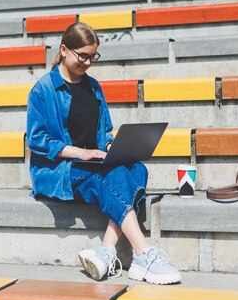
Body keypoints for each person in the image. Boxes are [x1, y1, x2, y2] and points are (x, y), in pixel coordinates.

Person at [26, 22, 181, 285]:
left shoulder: (94, 88)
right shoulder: (43, 90)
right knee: (106, 178)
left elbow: (104, 133)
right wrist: (82, 154)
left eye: (92, 56)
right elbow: (38, 140)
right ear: (64, 50)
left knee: (137, 168)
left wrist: (112, 149)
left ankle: (106, 250)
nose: (87, 62)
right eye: (82, 55)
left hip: (93, 162)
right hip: (59, 170)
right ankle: (143, 254)